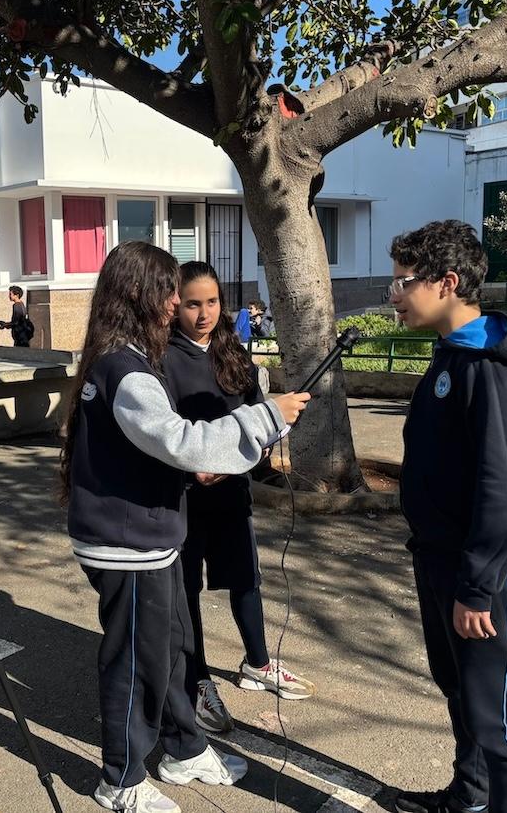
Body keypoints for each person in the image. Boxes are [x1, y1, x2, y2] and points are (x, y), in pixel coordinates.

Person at [60, 240, 312, 813]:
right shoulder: (125, 368)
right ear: (141, 295)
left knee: (173, 649)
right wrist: (268, 416)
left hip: (153, 537)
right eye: (170, 290)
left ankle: (183, 747)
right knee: (134, 663)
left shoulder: (128, 358)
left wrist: (202, 463)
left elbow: (163, 449)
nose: (179, 302)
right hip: (126, 543)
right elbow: (178, 438)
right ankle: (120, 780)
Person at [388, 221, 507, 813]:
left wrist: (479, 587)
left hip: (490, 572)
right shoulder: (450, 354)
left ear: (448, 282)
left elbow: (504, 488)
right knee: (461, 691)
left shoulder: (490, 368)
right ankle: (472, 796)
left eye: (404, 281)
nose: (393, 293)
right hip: (442, 558)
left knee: (500, 719)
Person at [160, 262, 315, 737]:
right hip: (184, 498)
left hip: (233, 493)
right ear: (175, 305)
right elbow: (162, 434)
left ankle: (258, 663)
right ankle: (198, 680)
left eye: (211, 302)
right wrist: (193, 467)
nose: (203, 313)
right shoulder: (160, 358)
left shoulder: (234, 352)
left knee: (245, 579)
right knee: (185, 594)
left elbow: (253, 416)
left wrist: (274, 429)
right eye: (192, 304)